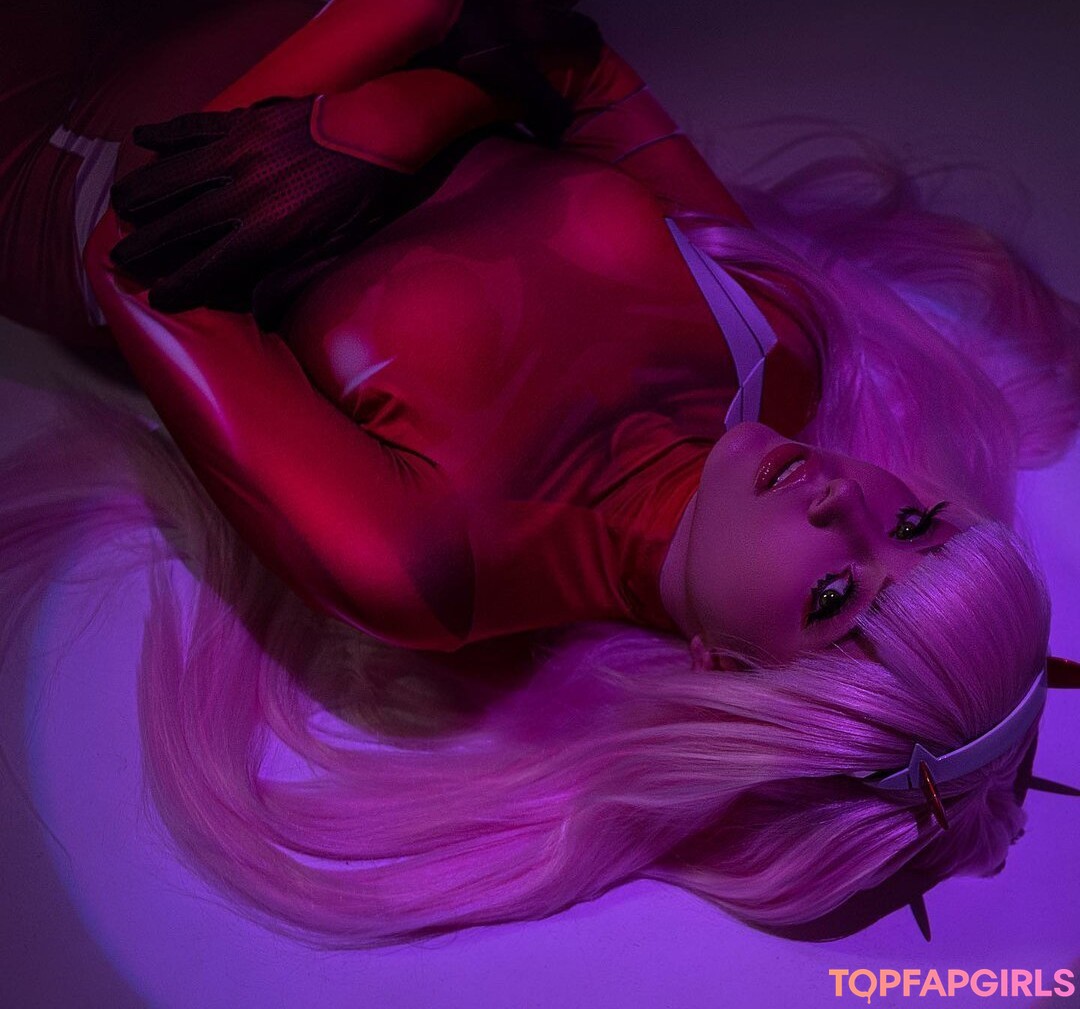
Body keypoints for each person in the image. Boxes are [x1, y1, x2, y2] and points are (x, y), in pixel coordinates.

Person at [1, 0, 1078, 947]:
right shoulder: (780, 342)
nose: (847, 502)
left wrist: (405, 67)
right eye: (918, 524)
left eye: (835, 593)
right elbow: (575, 68)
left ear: (727, 673)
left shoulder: (432, 566)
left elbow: (129, 255)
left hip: (71, 142)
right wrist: (398, 113)